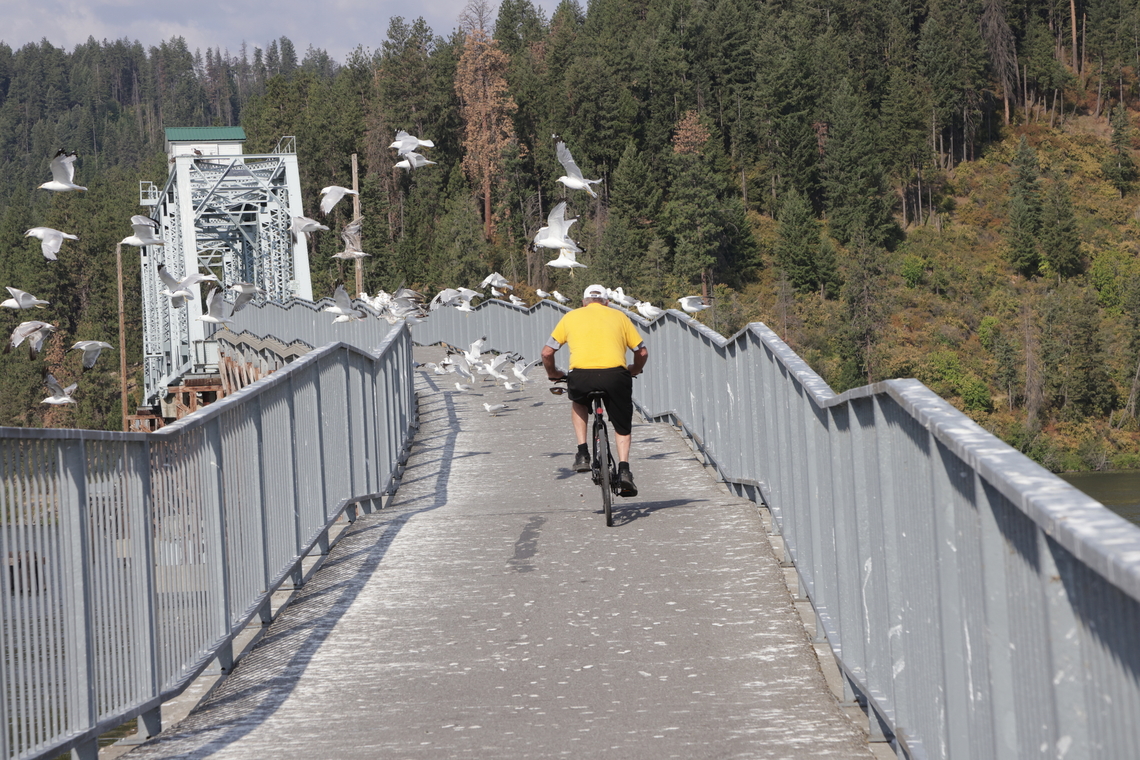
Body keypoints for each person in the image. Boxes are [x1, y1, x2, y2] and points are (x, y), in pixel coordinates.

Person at [541, 284, 649, 496]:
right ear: (607, 302)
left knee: (579, 402)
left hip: (581, 376)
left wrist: (553, 373)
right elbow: (642, 352)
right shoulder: (619, 317)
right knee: (622, 422)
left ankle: (582, 453)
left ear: (583, 302)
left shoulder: (570, 317)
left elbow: (546, 353)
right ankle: (625, 470)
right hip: (615, 377)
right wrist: (634, 369)